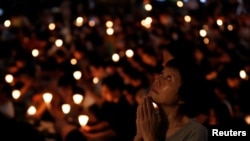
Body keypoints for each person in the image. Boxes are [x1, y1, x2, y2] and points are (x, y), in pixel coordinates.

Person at [134, 58, 208, 141]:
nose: (157, 80)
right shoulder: (150, 121)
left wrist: (149, 137)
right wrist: (139, 135)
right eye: (161, 74)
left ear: (182, 96)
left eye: (168, 78)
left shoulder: (194, 132)